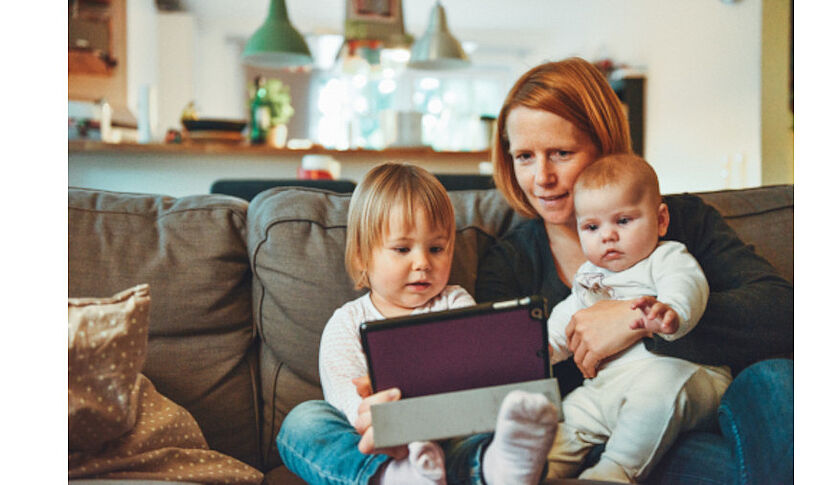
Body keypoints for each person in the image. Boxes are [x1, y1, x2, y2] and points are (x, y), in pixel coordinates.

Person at [477, 57, 793, 483]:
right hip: (592, 436)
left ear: (604, 146)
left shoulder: (681, 222)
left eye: (561, 153)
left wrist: (637, 319)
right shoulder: (510, 262)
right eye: (525, 157)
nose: (542, 178)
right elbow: (501, 379)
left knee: (777, 379)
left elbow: (783, 314)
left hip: (698, 414)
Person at [277, 162, 560, 485]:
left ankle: (498, 467)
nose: (423, 263)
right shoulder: (346, 322)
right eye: (402, 249)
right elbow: (345, 401)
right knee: (303, 422)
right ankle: (394, 477)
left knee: (495, 423)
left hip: (449, 434)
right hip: (379, 443)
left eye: (436, 248)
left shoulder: (455, 302)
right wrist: (377, 417)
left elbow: (477, 374)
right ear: (361, 256)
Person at [543, 153, 732, 482]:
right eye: (592, 226)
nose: (608, 236)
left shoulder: (665, 257)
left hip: (682, 377)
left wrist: (671, 311)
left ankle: (613, 472)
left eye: (623, 221)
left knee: (656, 391)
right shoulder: (590, 275)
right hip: (606, 388)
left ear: (660, 220)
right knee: (569, 416)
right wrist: (545, 347)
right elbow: (568, 316)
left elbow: (687, 284)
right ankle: (538, 471)